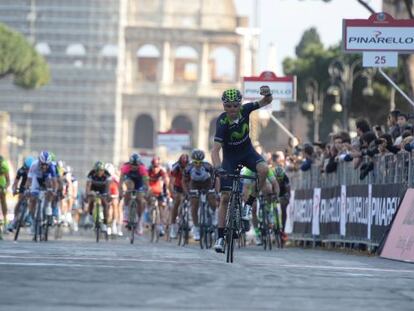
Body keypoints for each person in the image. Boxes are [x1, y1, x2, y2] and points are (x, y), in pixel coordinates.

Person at [211, 86, 273, 253]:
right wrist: (218, 167)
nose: (232, 109)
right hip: (230, 159)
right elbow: (215, 149)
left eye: (235, 106)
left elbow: (266, 101)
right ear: (224, 106)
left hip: (248, 153)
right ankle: (220, 237)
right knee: (225, 197)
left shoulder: (246, 110)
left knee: (264, 169)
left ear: (240, 105)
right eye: (228, 106)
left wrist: (267, 93)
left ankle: (249, 203)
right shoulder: (222, 122)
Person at [183, 149, 216, 241]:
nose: (198, 164)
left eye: (200, 162)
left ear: (203, 161)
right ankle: (196, 228)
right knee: (194, 204)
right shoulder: (188, 168)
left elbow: (215, 178)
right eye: (195, 162)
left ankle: (213, 216)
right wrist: (187, 192)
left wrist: (214, 189)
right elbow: (184, 181)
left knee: (212, 199)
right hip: (194, 184)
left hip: (206, 183)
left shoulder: (208, 166)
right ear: (193, 161)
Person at [241, 166, 279, 245]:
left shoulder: (267, 169)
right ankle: (257, 233)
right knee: (253, 209)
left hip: (263, 185)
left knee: (268, 189)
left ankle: (268, 210)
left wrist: (276, 195)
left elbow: (275, 184)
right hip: (251, 187)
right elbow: (246, 189)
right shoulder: (248, 171)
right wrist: (248, 202)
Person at [26, 151, 59, 229]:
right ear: (39, 161)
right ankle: (31, 217)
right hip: (36, 179)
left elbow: (55, 182)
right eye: (42, 164)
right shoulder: (34, 165)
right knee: (32, 198)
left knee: (50, 190)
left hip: (47, 179)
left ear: (49, 163)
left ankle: (49, 209)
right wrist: (27, 189)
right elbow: (29, 179)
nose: (44, 167)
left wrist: (54, 191)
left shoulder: (52, 167)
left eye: (46, 165)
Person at [119, 153, 148, 235]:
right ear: (130, 164)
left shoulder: (142, 168)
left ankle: (139, 221)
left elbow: (146, 181)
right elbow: (121, 181)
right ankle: (126, 211)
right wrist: (120, 191)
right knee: (129, 189)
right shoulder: (125, 167)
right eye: (132, 165)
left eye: (136, 165)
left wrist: (146, 190)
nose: (134, 167)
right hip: (129, 179)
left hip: (139, 182)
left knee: (140, 200)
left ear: (139, 164)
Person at [8, 157, 34, 232]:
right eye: (26, 169)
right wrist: (14, 189)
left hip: (34, 183)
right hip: (24, 184)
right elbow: (16, 182)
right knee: (20, 199)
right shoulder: (21, 170)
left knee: (32, 199)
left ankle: (30, 216)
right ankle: (15, 219)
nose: (27, 171)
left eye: (29, 170)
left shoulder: (35, 170)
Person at [85, 161, 111, 232]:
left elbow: (108, 187)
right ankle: (90, 216)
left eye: (101, 171)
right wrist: (87, 194)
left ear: (103, 170)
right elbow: (88, 186)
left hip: (103, 188)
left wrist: (108, 194)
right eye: (98, 171)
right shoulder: (91, 174)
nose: (100, 172)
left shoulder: (107, 175)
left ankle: (105, 222)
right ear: (95, 171)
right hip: (93, 187)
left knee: (105, 203)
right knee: (92, 199)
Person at [147, 156, 169, 236]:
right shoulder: (148, 170)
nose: (155, 169)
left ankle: (161, 226)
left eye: (156, 167)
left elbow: (166, 180)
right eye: (154, 167)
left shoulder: (162, 170)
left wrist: (167, 188)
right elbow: (145, 180)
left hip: (160, 190)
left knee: (162, 207)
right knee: (148, 200)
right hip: (151, 189)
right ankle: (149, 215)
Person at [168, 154, 189, 239]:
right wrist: (172, 192)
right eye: (182, 164)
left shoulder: (190, 166)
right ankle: (173, 226)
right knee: (177, 202)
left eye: (186, 164)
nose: (184, 166)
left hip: (187, 187)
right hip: (178, 187)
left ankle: (188, 220)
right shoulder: (176, 167)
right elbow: (171, 182)